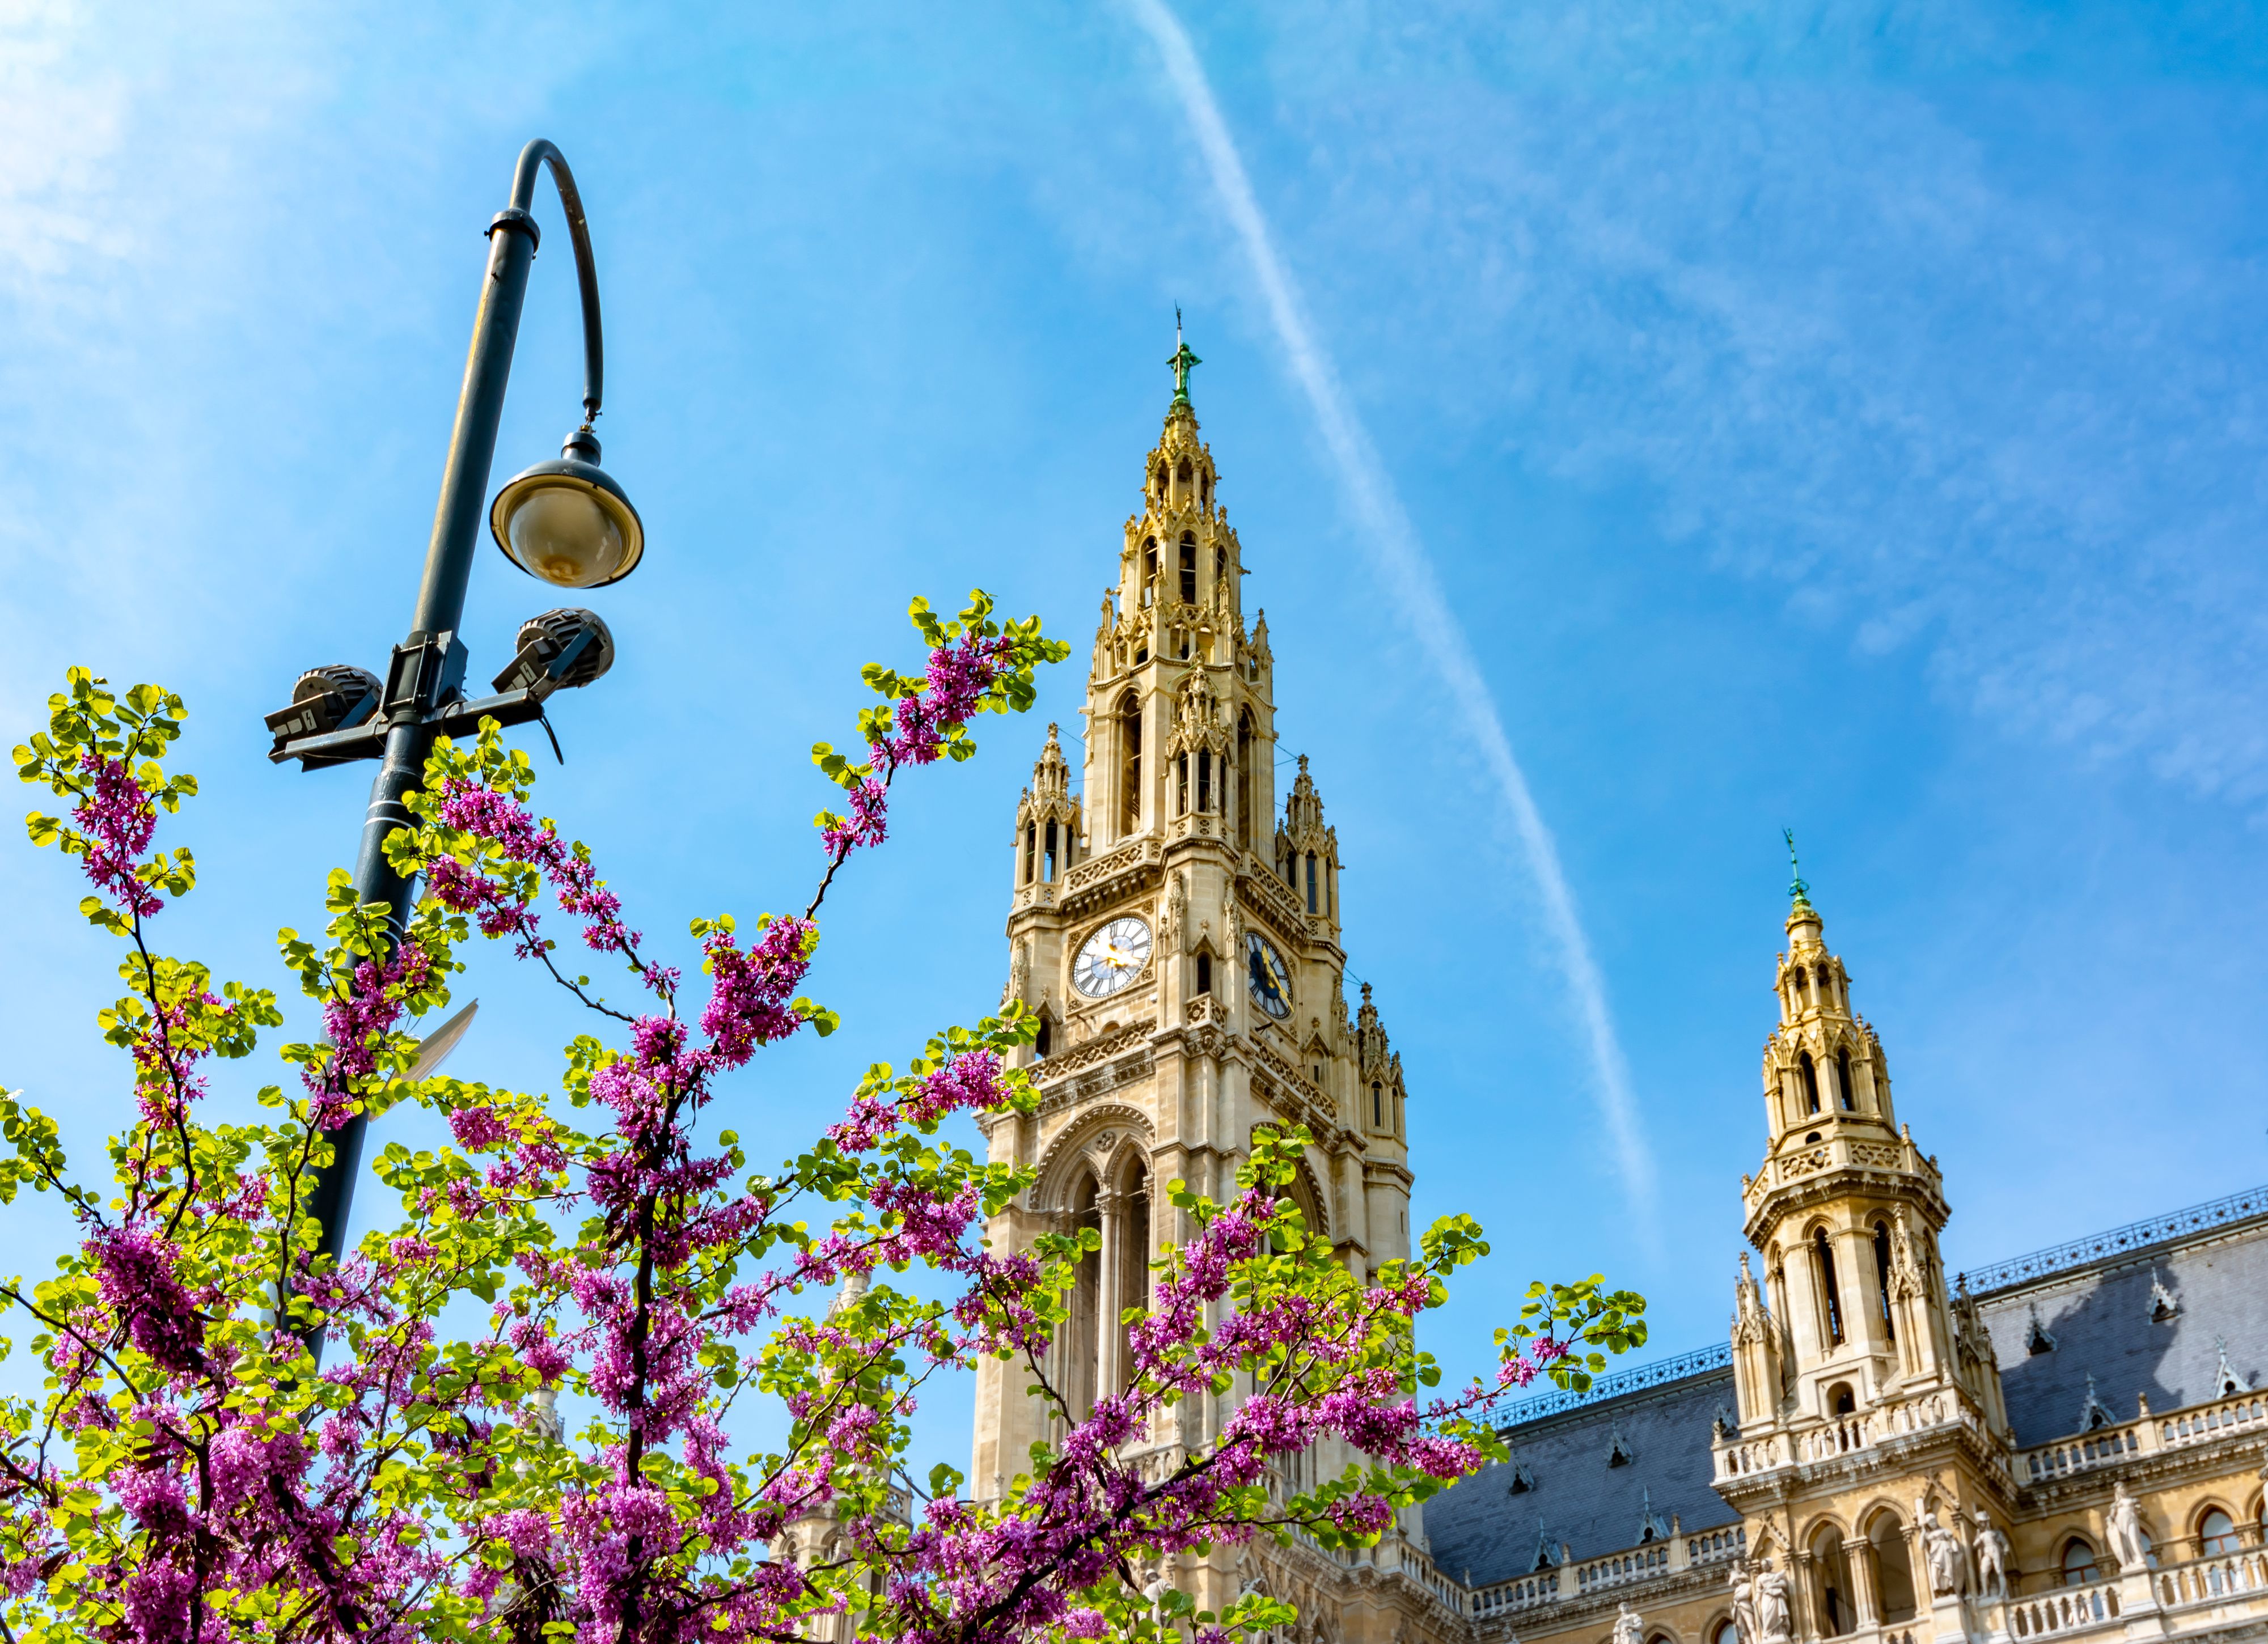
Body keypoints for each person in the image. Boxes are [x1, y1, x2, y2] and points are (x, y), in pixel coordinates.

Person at [1972, 1511, 2010, 1600]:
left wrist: (2005, 1550)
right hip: (1987, 1552)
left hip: (1995, 1550)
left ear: (1987, 1522)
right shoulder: (1981, 1535)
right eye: (1980, 1523)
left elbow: (2005, 1543)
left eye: (1983, 1522)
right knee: (1983, 1572)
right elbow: (1974, 1546)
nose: (1982, 1524)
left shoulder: (1996, 1533)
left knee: (1999, 1571)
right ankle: (1985, 1593)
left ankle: (2002, 1593)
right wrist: (1977, 1535)